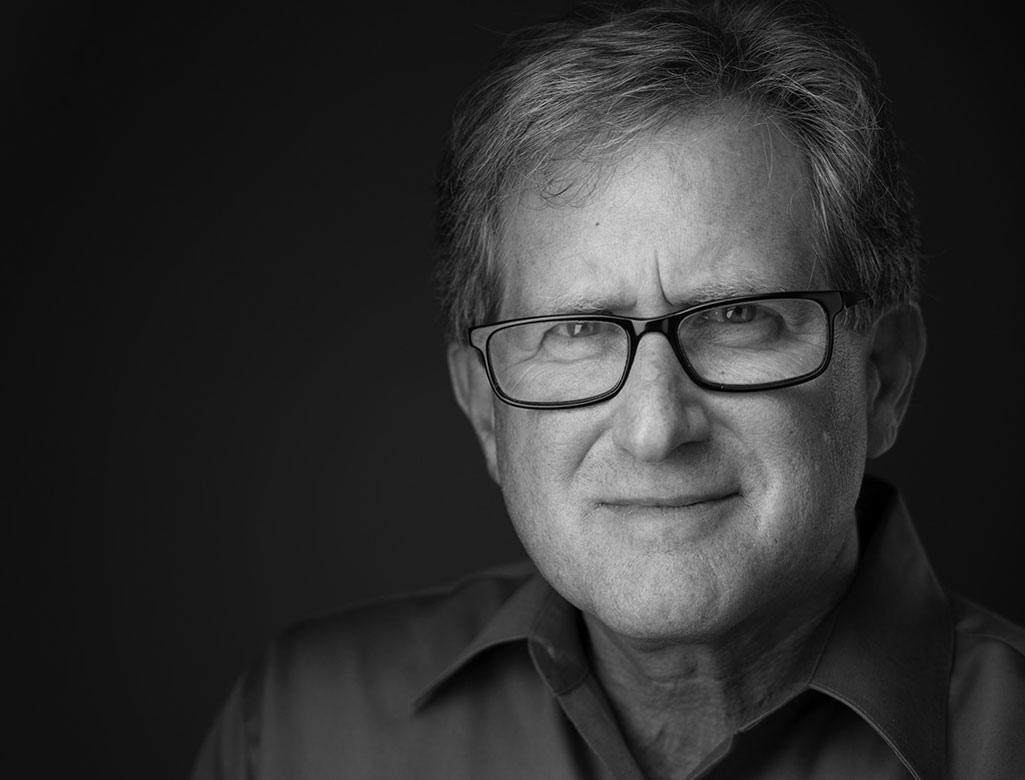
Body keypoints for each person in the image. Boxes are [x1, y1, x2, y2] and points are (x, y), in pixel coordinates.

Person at [191, 1, 1025, 777]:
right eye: (576, 332)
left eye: (737, 315)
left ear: (883, 377)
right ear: (484, 407)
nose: (655, 429)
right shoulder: (298, 729)